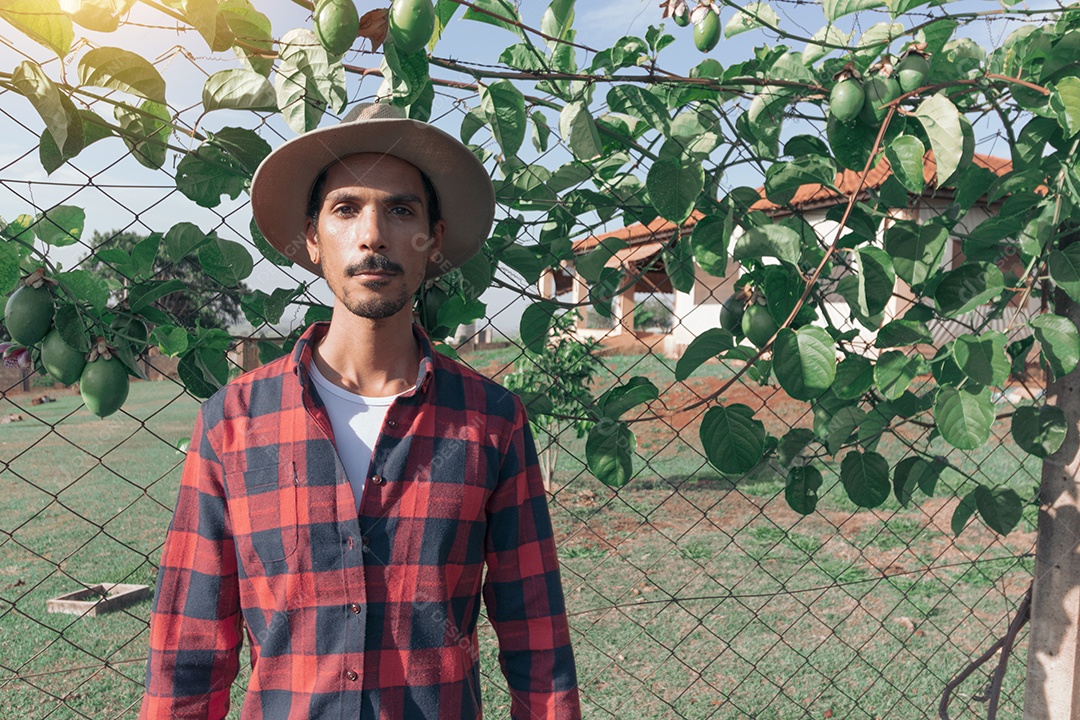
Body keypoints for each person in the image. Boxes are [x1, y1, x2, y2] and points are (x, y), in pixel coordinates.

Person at [140, 102, 582, 719]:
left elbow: (536, 638)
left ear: (434, 242)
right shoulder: (234, 422)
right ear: (314, 240)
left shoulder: (492, 422)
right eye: (346, 209)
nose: (373, 234)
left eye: (401, 210)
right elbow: (189, 651)